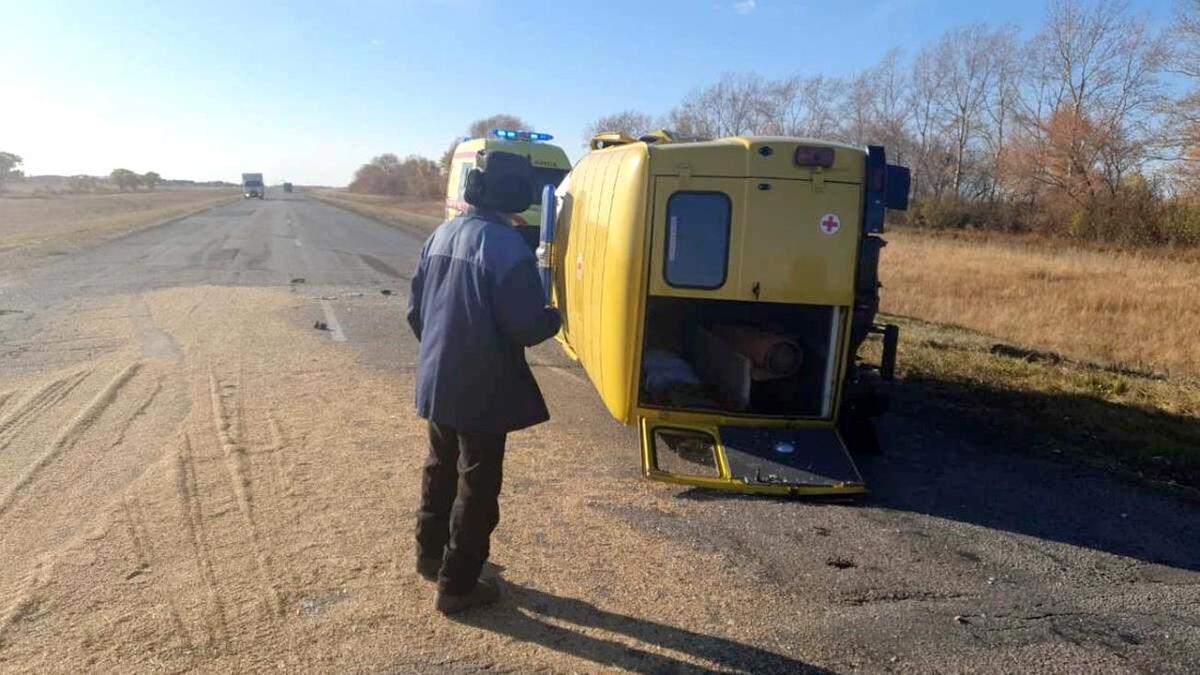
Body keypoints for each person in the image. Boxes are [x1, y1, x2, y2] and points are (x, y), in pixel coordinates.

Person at [406, 150, 562, 615]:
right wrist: (555, 315)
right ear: (516, 198)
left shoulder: (440, 234)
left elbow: (416, 313)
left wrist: (443, 350)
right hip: (482, 387)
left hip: (437, 377)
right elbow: (527, 328)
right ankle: (458, 585)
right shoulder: (507, 247)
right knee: (477, 483)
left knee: (440, 466)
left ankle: (429, 554)